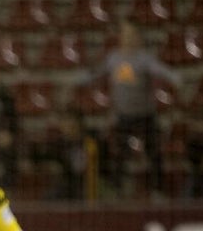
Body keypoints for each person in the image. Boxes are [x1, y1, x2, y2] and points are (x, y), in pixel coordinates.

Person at [75, 20, 182, 198]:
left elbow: (159, 70)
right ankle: (119, 190)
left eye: (132, 34)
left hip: (145, 115)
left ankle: (157, 191)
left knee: (154, 154)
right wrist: (80, 79)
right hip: (123, 116)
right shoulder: (113, 58)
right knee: (118, 155)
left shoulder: (144, 58)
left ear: (138, 37)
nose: (128, 38)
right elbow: (97, 73)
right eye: (125, 34)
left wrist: (174, 77)